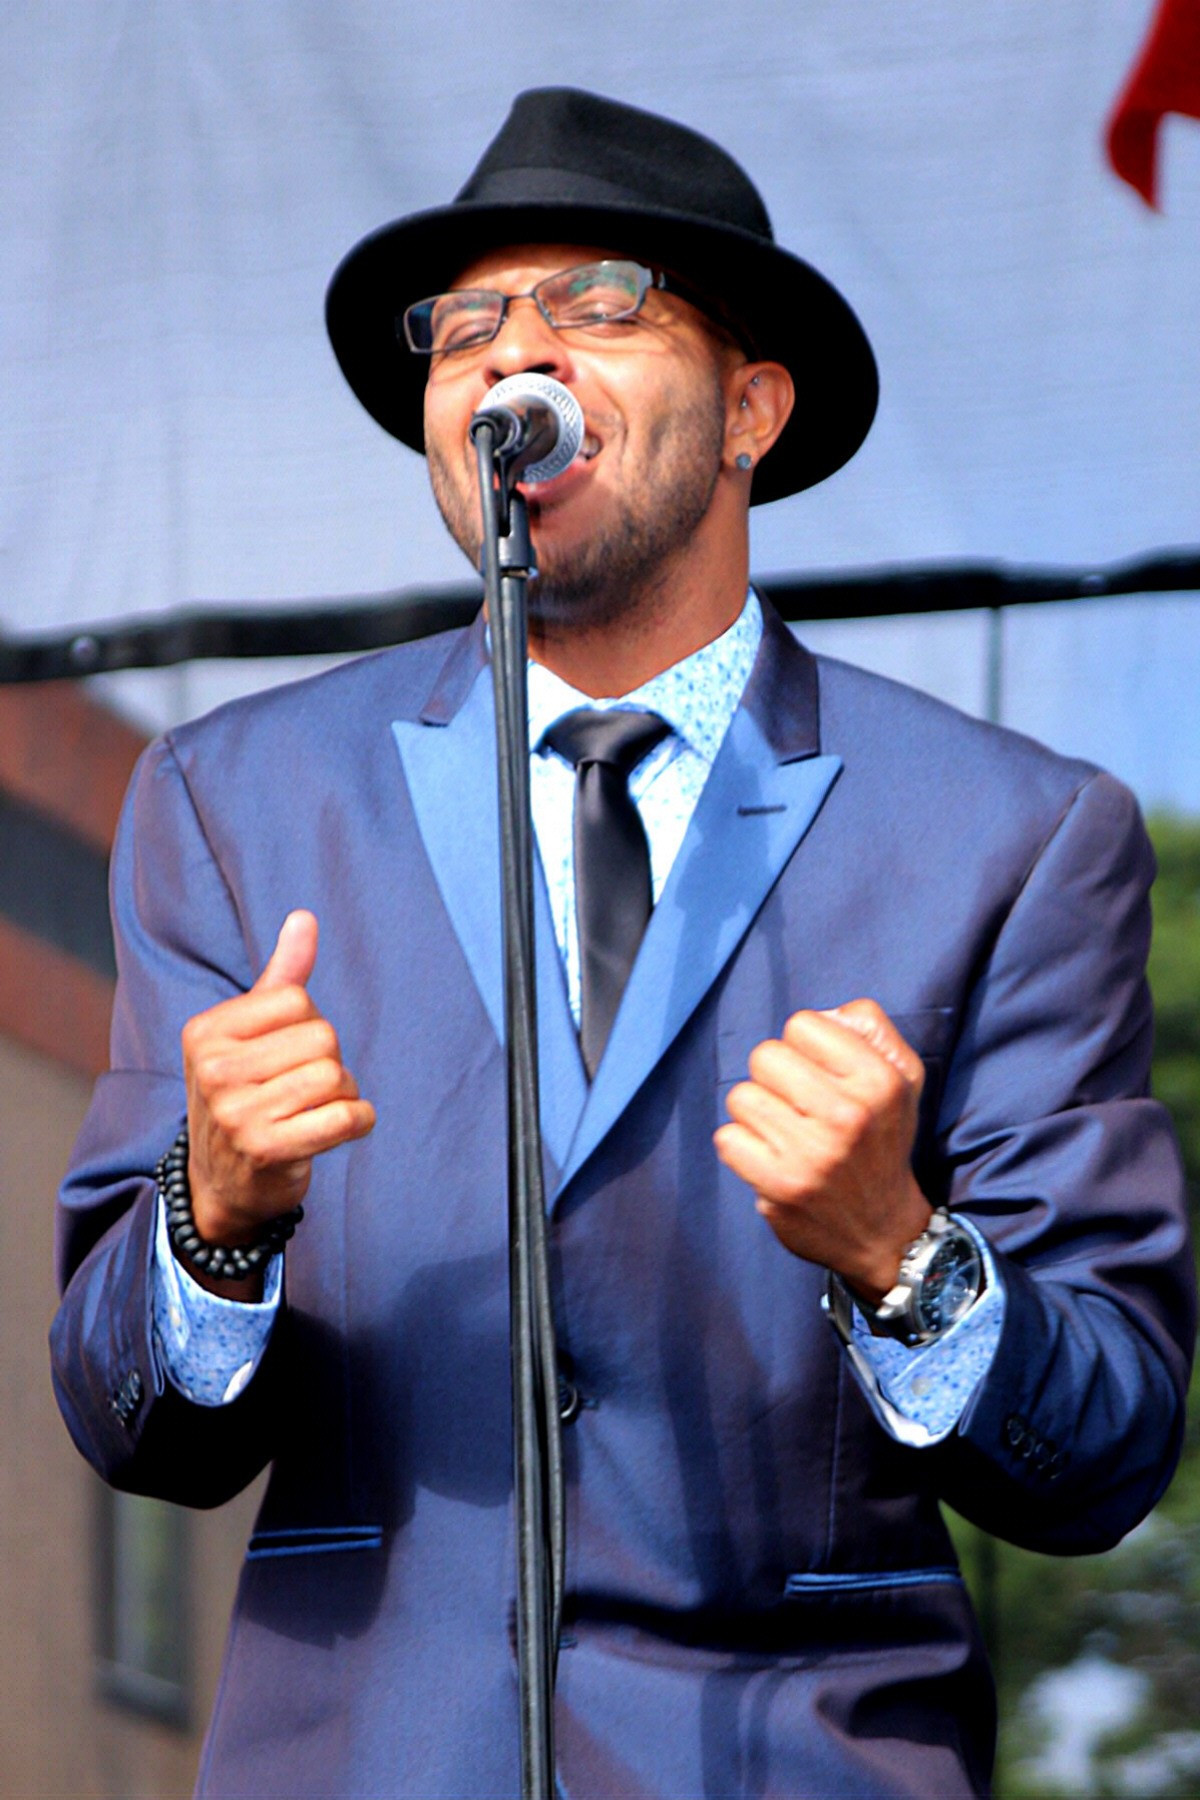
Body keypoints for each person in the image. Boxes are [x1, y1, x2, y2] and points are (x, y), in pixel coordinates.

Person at [51, 87, 1194, 1800]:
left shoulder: (1009, 837)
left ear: (752, 411)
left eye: (599, 300)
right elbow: (125, 1418)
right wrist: (211, 1223)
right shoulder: (237, 802)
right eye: (465, 327)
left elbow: (1102, 1447)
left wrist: (902, 1255)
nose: (518, 350)